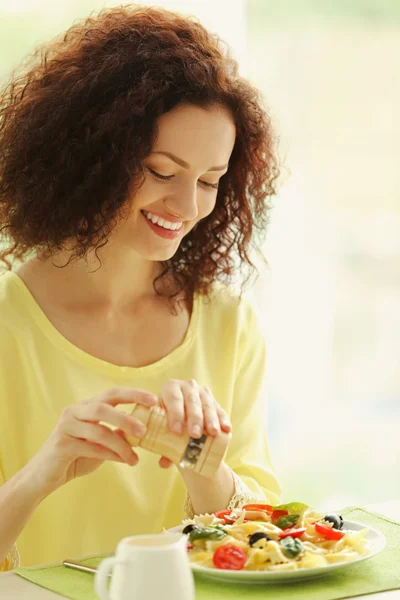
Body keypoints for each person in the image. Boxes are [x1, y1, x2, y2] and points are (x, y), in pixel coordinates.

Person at [0, 4, 281, 570]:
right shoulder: (10, 324)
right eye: (161, 171)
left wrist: (203, 466)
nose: (186, 207)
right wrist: (39, 475)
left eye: (209, 181)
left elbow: (266, 549)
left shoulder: (229, 324)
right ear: (89, 156)